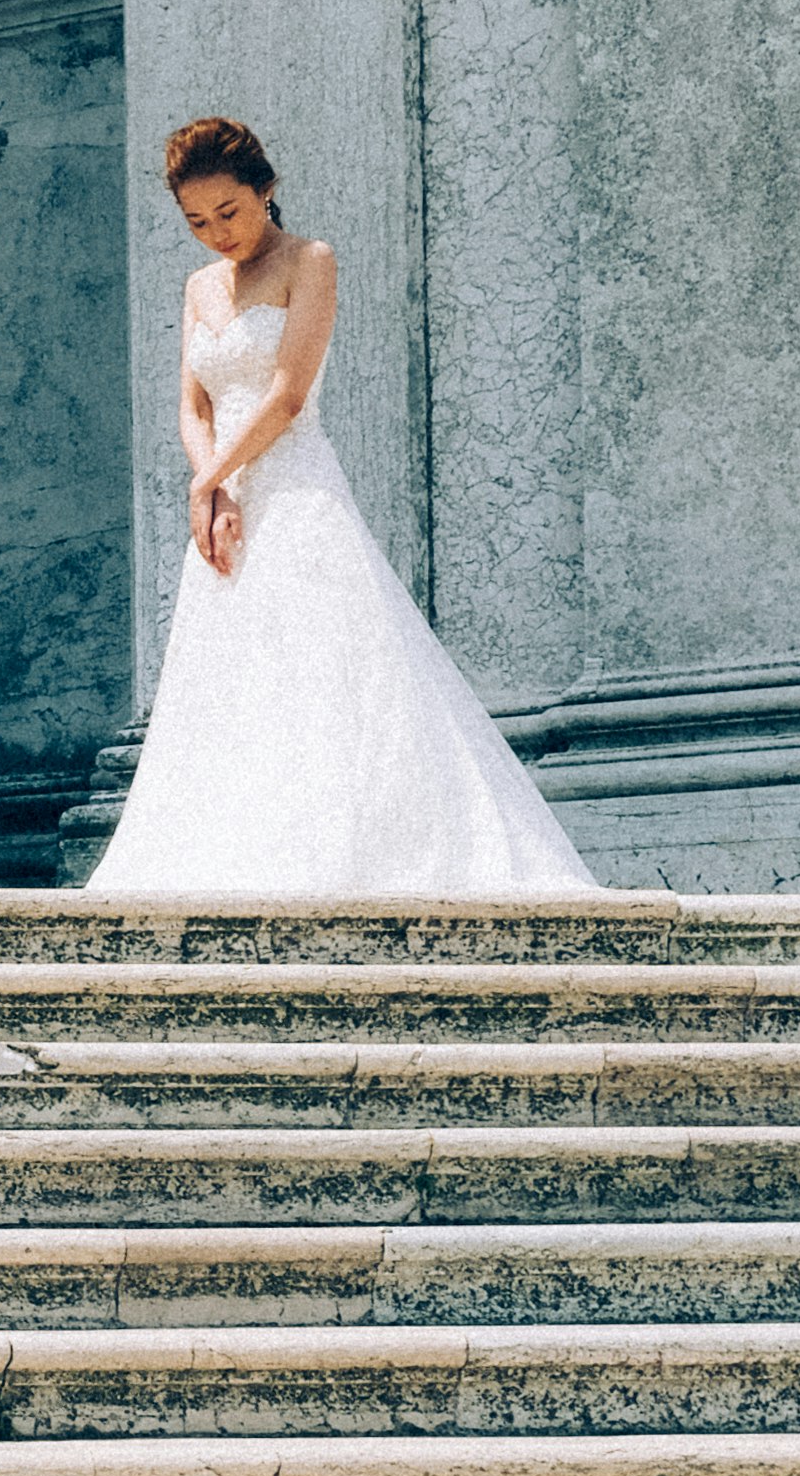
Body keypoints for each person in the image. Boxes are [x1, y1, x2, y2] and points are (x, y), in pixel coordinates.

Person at [78, 116, 598, 896]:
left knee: (325, 670)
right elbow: (192, 404)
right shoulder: (196, 288)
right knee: (228, 680)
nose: (215, 233)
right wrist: (212, 485)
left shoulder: (307, 261)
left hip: (294, 491)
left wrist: (211, 479)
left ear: (266, 190)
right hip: (226, 502)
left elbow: (286, 394)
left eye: (228, 211)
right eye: (194, 221)